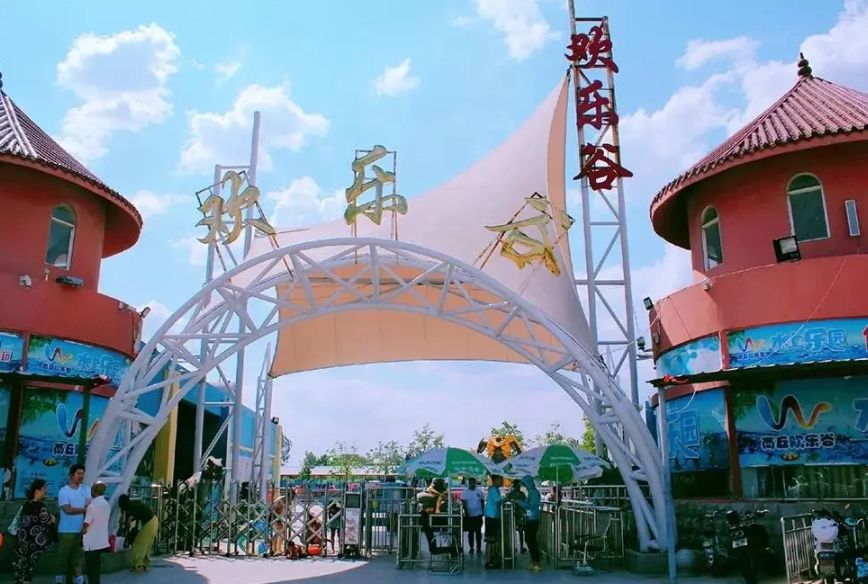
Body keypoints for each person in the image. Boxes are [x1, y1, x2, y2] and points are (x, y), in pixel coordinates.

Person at [13, 479, 55, 584]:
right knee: (30, 568)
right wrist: (53, 520)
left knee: (21, 566)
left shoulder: (26, 504)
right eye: (44, 488)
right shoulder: (41, 507)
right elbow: (46, 522)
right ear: (37, 490)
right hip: (35, 544)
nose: (46, 491)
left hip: (22, 540)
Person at [57, 464, 90, 584]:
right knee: (63, 558)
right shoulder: (64, 491)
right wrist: (83, 510)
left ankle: (80, 581)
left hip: (79, 530)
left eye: (82, 474)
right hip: (66, 531)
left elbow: (89, 506)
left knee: (76, 558)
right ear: (71, 475)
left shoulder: (86, 489)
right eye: (78, 474)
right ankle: (59, 581)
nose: (81, 476)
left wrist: (85, 525)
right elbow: (67, 509)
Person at [118, 494, 158, 573]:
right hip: (154, 521)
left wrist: (125, 534)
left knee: (138, 544)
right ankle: (144, 564)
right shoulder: (134, 504)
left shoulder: (131, 508)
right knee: (146, 546)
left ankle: (138, 566)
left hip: (149, 523)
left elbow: (128, 524)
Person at [82, 483, 110, 584]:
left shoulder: (92, 506)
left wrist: (80, 533)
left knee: (91, 569)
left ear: (93, 491)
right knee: (96, 569)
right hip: (101, 541)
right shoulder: (106, 504)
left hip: (91, 543)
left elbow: (87, 523)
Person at [516, 476, 543, 572]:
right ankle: (534, 560)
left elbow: (531, 505)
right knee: (529, 539)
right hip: (530, 518)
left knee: (531, 540)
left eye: (525, 484)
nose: (524, 486)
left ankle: (537, 561)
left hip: (533, 519)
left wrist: (521, 503)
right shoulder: (531, 493)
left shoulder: (534, 493)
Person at [483, 475, 503, 569]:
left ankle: (492, 559)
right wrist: (507, 498)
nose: (502, 481)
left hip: (493, 516)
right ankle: (488, 560)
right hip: (491, 517)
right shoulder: (494, 489)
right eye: (500, 479)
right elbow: (497, 501)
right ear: (496, 480)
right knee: (491, 539)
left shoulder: (495, 489)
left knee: (493, 539)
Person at [460, 477, 484, 555]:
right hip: (469, 515)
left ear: (475, 483)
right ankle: (471, 547)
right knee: (470, 532)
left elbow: (482, 502)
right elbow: (464, 503)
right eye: (471, 483)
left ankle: (479, 548)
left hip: (478, 515)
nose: (473, 484)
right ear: (469, 483)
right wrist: (467, 513)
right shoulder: (465, 492)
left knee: (478, 532)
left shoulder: (479, 492)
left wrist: (482, 512)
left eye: (474, 483)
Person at [505, 480, 527, 554]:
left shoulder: (521, 494)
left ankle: (520, 547)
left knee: (520, 531)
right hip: (513, 514)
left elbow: (525, 503)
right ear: (514, 486)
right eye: (517, 485)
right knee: (514, 531)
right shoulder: (511, 494)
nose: (518, 486)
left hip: (519, 515)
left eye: (519, 485)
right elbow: (507, 501)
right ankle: (514, 547)